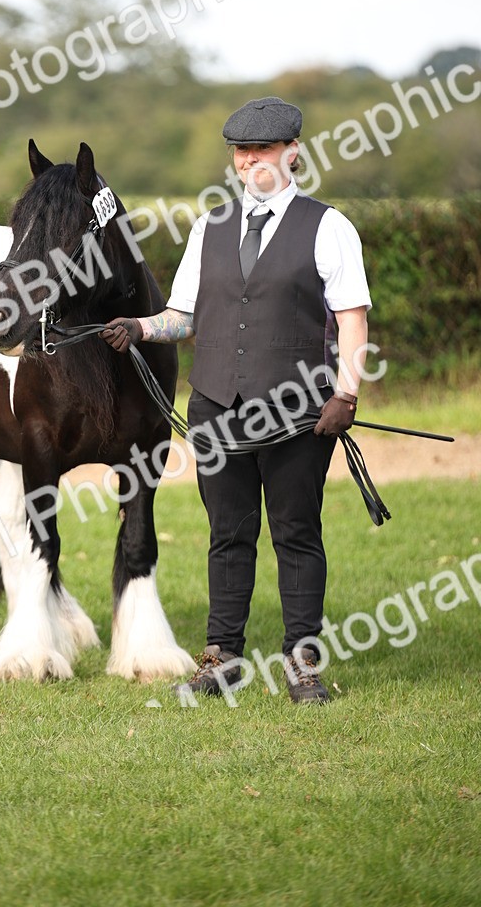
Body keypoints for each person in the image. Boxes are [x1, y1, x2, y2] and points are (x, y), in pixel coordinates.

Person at [100, 96, 371, 704]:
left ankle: (303, 661)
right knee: (227, 533)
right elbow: (183, 316)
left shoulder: (328, 227)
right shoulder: (209, 227)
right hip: (216, 407)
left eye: (262, 150)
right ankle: (222, 657)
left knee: (296, 532)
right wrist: (139, 329)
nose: (249, 162)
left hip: (298, 411)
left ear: (292, 152)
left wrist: (346, 394)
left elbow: (351, 319)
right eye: (241, 153)